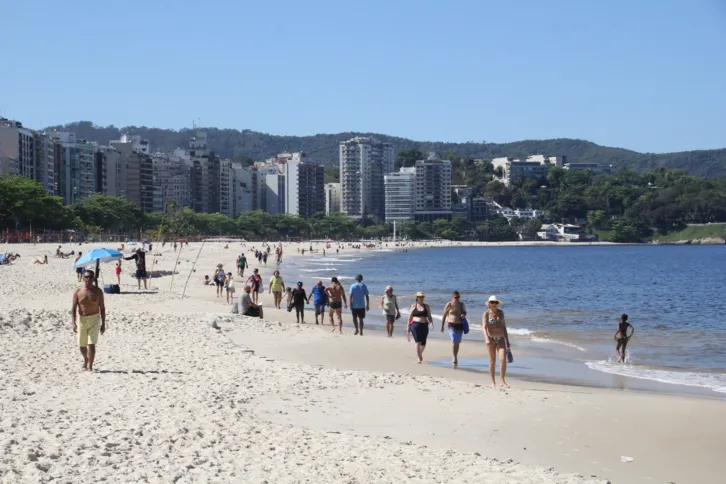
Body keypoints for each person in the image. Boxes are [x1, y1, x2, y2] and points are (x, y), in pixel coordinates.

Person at [71, 269, 106, 371]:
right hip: (82, 320)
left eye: (91, 277)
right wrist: (73, 323)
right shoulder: (78, 292)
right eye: (87, 277)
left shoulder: (98, 291)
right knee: (81, 344)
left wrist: (103, 323)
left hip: (94, 319)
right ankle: (86, 359)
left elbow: (102, 308)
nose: (89, 279)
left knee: (91, 343)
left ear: (94, 279)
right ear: (83, 278)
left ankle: (90, 365)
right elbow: (73, 308)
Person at [482, 296, 510, 388]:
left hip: (501, 338)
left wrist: (507, 340)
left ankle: (502, 381)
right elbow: (484, 327)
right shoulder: (486, 314)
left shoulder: (501, 313)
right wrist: (486, 338)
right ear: (489, 304)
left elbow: (504, 327)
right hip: (491, 339)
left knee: (502, 359)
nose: (494, 304)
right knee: (492, 360)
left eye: (495, 302)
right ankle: (493, 381)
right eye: (492, 302)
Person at [441, 291, 467, 368]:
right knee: (454, 341)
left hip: (459, 325)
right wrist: (442, 326)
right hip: (451, 324)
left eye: (458, 297)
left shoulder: (461, 304)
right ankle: (454, 357)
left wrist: (463, 314)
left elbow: (465, 312)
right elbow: (444, 315)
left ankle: (455, 355)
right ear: (452, 297)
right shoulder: (449, 304)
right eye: (456, 297)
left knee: (457, 342)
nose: (457, 298)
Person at [409, 292, 433, 363]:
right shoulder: (413, 306)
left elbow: (429, 315)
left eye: (422, 297)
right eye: (420, 297)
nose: (421, 298)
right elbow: (410, 317)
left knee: (423, 343)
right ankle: (419, 357)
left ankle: (419, 354)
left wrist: (431, 321)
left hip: (424, 325)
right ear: (417, 298)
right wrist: (408, 326)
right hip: (415, 325)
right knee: (418, 342)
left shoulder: (427, 306)